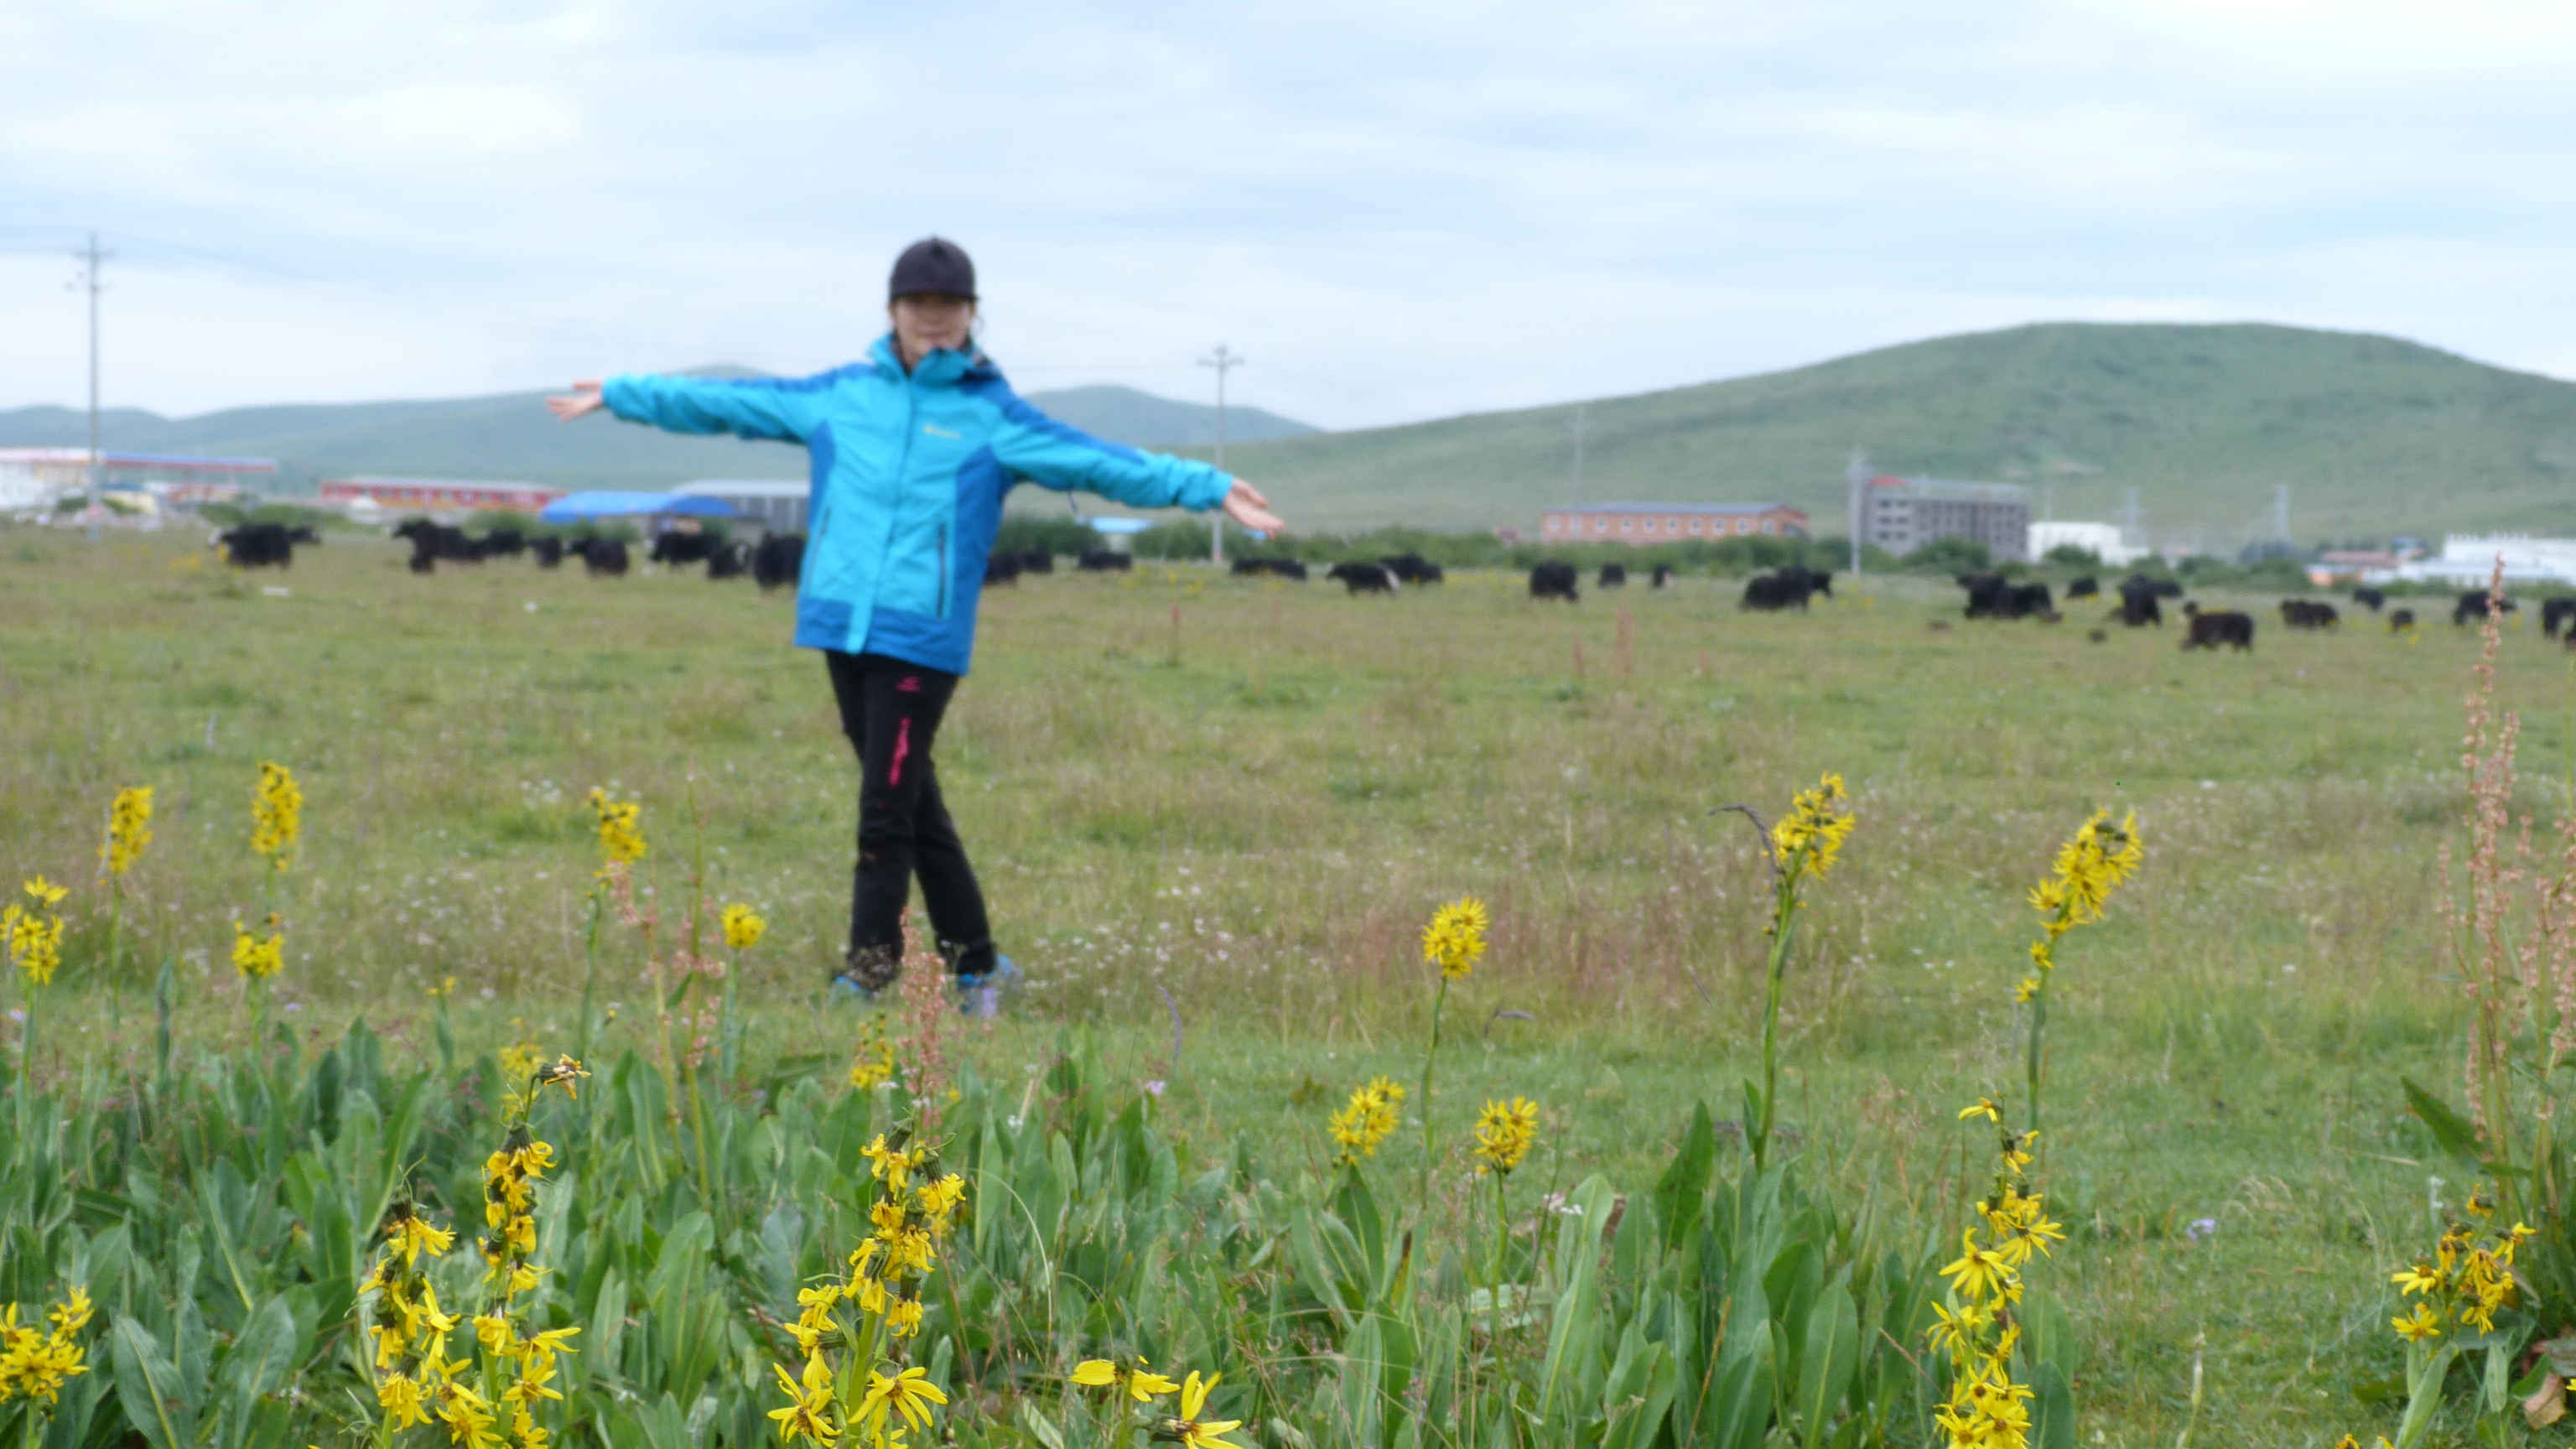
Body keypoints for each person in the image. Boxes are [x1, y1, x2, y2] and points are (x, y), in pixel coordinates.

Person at [548, 237, 1285, 1015]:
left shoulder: (991, 416)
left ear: (971, 317)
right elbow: (729, 405)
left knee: (884, 814)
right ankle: (979, 968)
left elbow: (1100, 462)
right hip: (840, 627)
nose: (933, 321)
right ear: (893, 313)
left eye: (949, 309)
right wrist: (626, 392)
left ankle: (868, 975)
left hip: (920, 638)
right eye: (917, 308)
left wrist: (1206, 485)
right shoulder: (842, 394)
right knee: (911, 805)